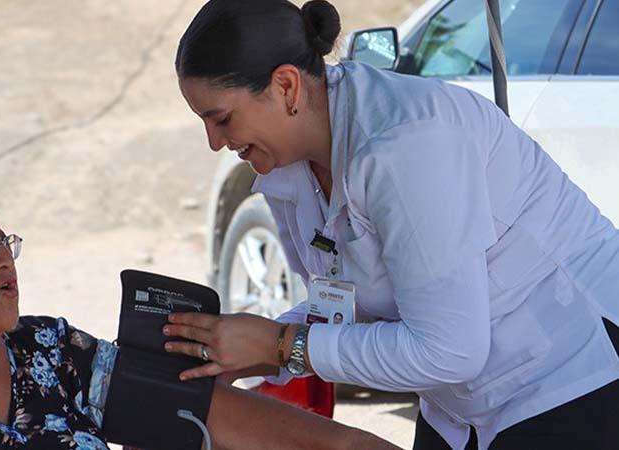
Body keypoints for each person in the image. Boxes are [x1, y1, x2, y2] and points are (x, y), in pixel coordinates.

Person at [164, 1, 619, 449]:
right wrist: (240, 350)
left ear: (286, 86)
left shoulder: (406, 145)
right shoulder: (287, 164)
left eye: (222, 119)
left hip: (572, 373)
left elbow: (449, 350)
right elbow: (344, 305)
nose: (214, 142)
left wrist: (279, 345)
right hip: (463, 403)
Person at [0, 172, 399, 450]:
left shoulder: (46, 351)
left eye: (4, 239)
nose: (4, 259)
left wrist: (349, 445)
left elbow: (204, 412)